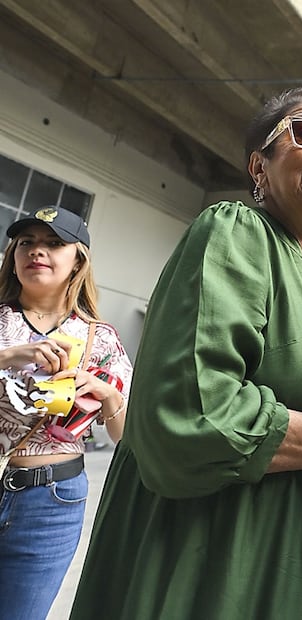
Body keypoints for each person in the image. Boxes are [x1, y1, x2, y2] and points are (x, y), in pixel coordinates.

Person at [70, 87, 302, 620]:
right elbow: (196, 411)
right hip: (210, 568)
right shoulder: (236, 230)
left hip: (292, 565)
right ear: (259, 167)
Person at [0, 206, 132, 620]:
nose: (37, 251)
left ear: (78, 260)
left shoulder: (100, 337)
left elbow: (126, 437)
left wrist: (108, 396)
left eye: (54, 243)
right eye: (27, 243)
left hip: (51, 502)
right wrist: (8, 355)